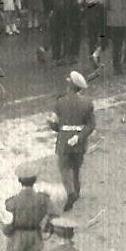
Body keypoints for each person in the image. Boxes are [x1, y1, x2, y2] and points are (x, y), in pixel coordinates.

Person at [49, 71, 96, 212]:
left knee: (64, 168)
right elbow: (91, 125)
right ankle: (77, 190)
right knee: (76, 168)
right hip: (79, 141)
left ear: (70, 85)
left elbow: (53, 124)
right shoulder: (87, 103)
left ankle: (70, 193)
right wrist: (79, 137)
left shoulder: (60, 102)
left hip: (64, 139)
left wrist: (60, 129)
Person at [4, 168, 51, 251]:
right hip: (35, 238)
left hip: (17, 241)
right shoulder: (42, 199)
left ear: (20, 181)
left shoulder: (12, 202)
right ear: (34, 181)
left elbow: (7, 226)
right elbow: (52, 215)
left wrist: (9, 233)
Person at [45, 0, 81, 66]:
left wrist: (49, 10)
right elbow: (73, 1)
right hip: (67, 13)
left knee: (55, 35)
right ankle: (66, 56)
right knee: (66, 34)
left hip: (54, 12)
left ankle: (56, 56)